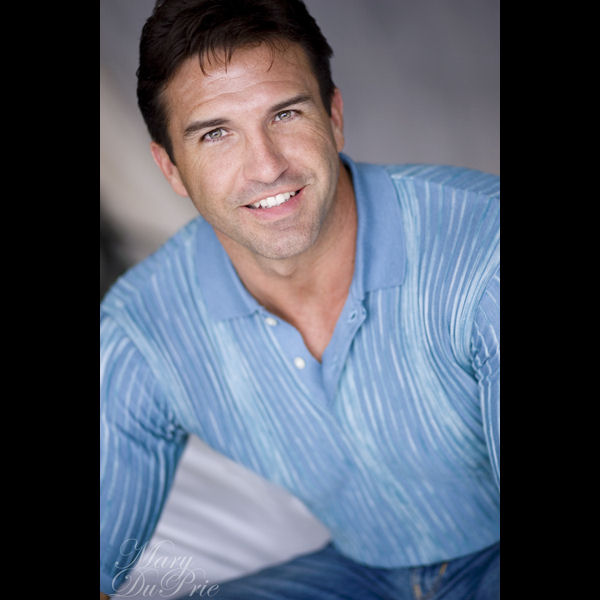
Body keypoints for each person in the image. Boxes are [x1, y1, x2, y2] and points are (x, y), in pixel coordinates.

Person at [99, 0, 500, 598]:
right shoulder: (143, 328)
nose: (266, 167)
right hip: (357, 571)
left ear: (333, 116)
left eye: (285, 113)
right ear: (172, 168)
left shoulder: (484, 249)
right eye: (215, 133)